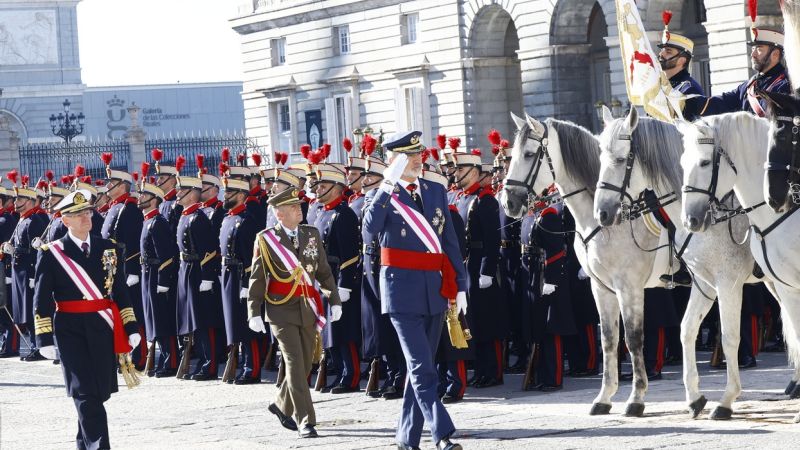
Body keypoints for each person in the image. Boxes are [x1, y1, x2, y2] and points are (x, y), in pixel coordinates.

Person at [363, 130, 467, 450]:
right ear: (394, 161)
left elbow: (449, 241)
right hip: (401, 293)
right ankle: (442, 433)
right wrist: (386, 185)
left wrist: (460, 286)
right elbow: (369, 230)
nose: (417, 160)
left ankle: (407, 439)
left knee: (419, 367)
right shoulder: (380, 195)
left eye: (418, 154)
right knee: (423, 367)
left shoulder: (435, 190)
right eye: (409, 156)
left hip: (434, 291)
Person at [33, 189, 142, 450]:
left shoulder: (108, 248)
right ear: (65, 220)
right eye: (78, 214)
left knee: (98, 393)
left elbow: (120, 291)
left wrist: (131, 327)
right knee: (83, 391)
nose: (86, 218)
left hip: (102, 326)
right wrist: (44, 338)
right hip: (70, 330)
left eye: (88, 212)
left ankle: (84, 444)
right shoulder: (52, 252)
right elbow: (42, 298)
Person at [247, 187, 343, 438]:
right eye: (292, 207)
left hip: (308, 307)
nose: (299, 209)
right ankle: (305, 421)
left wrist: (334, 300)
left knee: (307, 363)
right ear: (279, 214)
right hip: (280, 310)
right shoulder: (265, 239)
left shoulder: (311, 234)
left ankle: (281, 404)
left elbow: (323, 271)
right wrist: (253, 311)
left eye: (298, 205)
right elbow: (258, 277)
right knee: (294, 363)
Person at [453, 149, 505, 388]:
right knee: (474, 321)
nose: (457, 174)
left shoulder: (485, 200)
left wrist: (487, 270)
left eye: (461, 169)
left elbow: (493, 239)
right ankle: (482, 369)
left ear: (474, 172)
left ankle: (493, 371)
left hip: (481, 265)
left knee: (487, 321)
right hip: (467, 264)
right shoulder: (462, 198)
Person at [312, 163, 362, 393]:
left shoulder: (344, 215)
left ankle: (350, 376)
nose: (318, 189)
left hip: (337, 278)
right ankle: (340, 371)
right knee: (328, 330)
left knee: (343, 330)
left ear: (337, 188)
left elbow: (350, 254)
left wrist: (345, 284)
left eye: (323, 186)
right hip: (322, 277)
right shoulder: (322, 213)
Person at [175, 162, 223, 380]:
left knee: (204, 320)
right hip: (186, 270)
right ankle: (202, 361)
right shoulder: (186, 215)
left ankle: (209, 365)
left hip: (197, 272)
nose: (177, 194)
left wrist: (207, 277)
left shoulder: (198, 218)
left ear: (193, 193)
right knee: (193, 320)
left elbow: (208, 249)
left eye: (182, 191)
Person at [219, 175, 263, 384]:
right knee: (234, 323)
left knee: (246, 325)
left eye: (229, 192)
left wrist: (247, 284)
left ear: (241, 195)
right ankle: (241, 364)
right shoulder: (228, 218)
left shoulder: (246, 221)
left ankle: (251, 369)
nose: (225, 195)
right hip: (228, 275)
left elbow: (251, 258)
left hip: (240, 276)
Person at [138, 165, 180, 378]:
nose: (140, 198)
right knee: (153, 319)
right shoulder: (148, 221)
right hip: (148, 273)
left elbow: (166, 255)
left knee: (162, 319)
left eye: (144, 195)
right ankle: (163, 359)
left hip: (156, 274)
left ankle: (170, 361)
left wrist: (163, 280)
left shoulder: (158, 223)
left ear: (154, 199)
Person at [6, 173, 48, 361]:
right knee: (23, 311)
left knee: (32, 311)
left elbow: (37, 252)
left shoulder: (35, 221)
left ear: (30, 201)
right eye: (16, 199)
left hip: (28, 272)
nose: (16, 202)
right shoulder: (22, 219)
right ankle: (33, 345)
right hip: (19, 271)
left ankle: (38, 347)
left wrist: (33, 274)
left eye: (20, 199)